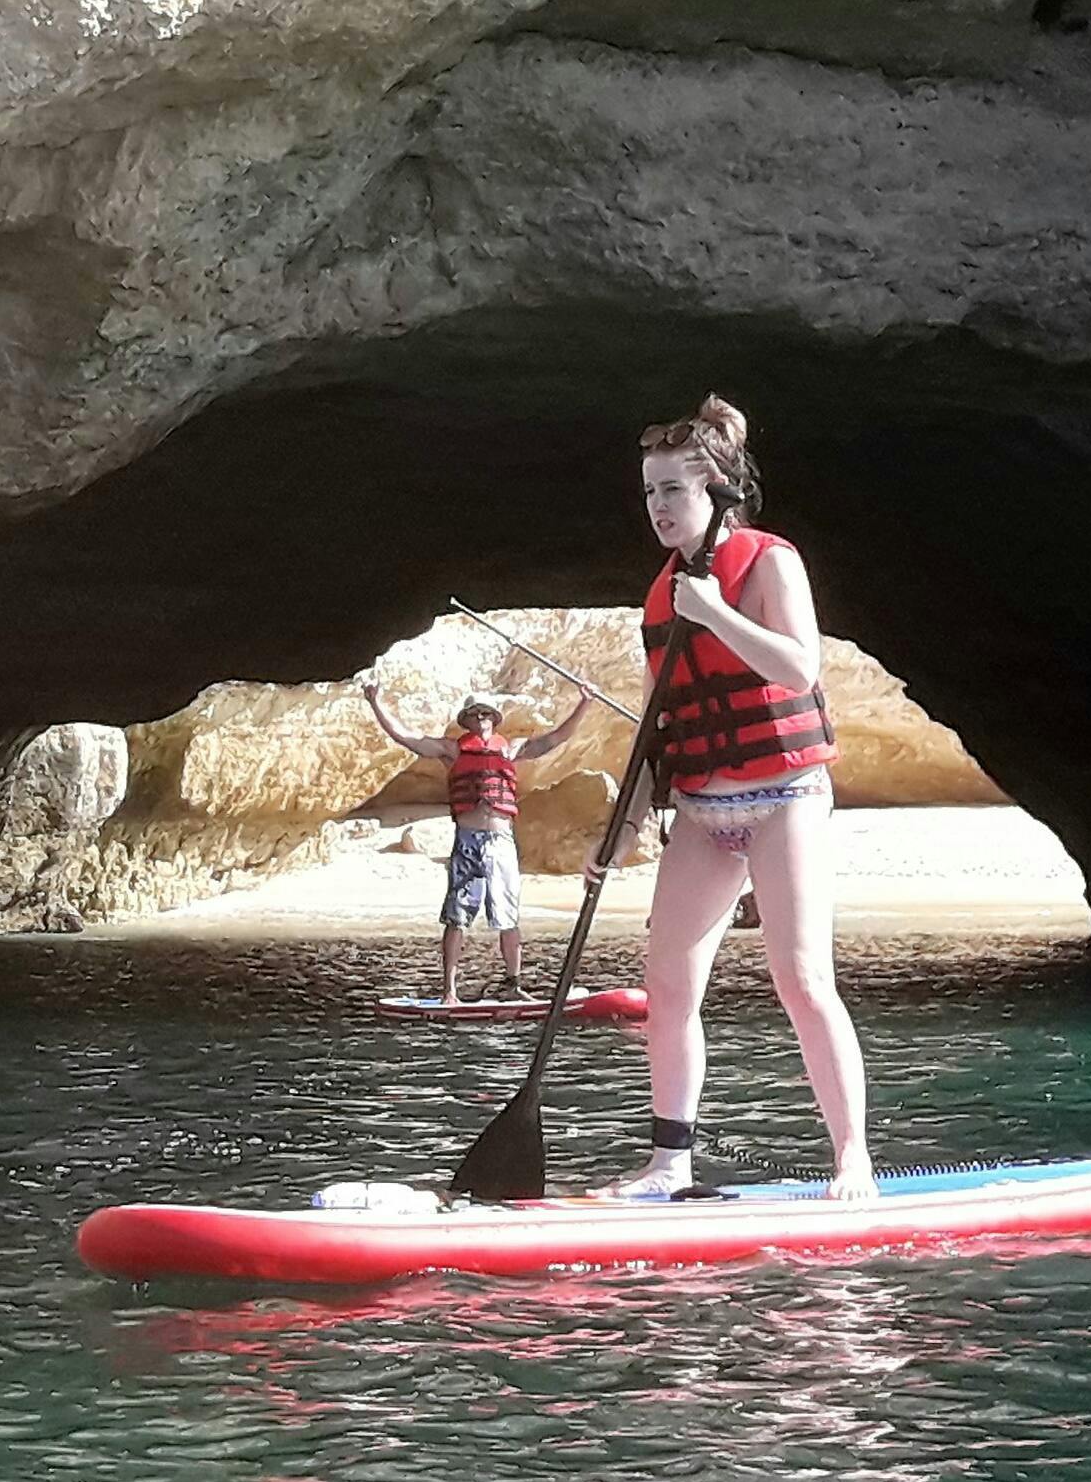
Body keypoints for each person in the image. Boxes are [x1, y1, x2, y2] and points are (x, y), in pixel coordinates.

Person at [620, 398, 876, 1202]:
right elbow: (657, 724)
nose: (660, 506)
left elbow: (800, 668)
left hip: (785, 794)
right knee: (667, 987)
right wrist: (623, 822)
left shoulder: (770, 563)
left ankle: (852, 1158)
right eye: (650, 491)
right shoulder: (661, 594)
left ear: (719, 490)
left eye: (674, 490)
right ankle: (669, 1163)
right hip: (702, 807)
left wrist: (720, 613)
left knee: (801, 978)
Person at [361, 676, 593, 1000]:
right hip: (468, 840)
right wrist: (376, 703)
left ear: (494, 718)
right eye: (475, 714)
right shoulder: (452, 750)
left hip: (501, 842)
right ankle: (449, 991)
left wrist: (584, 703)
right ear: (467, 720)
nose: (481, 718)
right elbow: (407, 738)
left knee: (508, 917)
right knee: (457, 917)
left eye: (486, 714)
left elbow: (555, 739)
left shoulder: (511, 748)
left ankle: (513, 985)